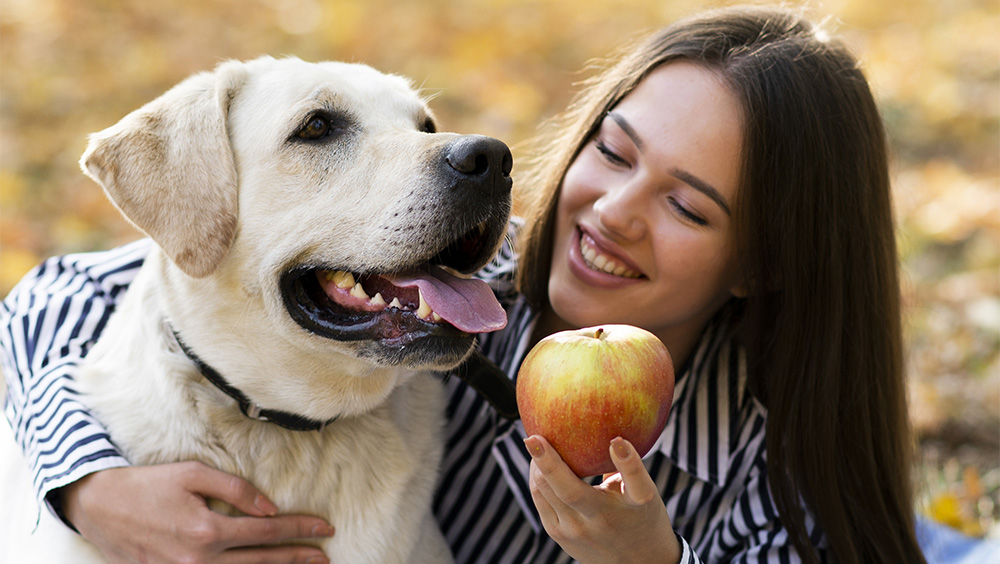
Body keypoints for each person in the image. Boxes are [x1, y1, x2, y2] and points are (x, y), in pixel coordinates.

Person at [0, 5, 929, 563]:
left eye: (689, 208)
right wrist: (81, 481)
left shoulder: (767, 482)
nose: (612, 215)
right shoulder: (484, 283)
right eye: (612, 153)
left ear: (763, 263)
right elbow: (52, 301)